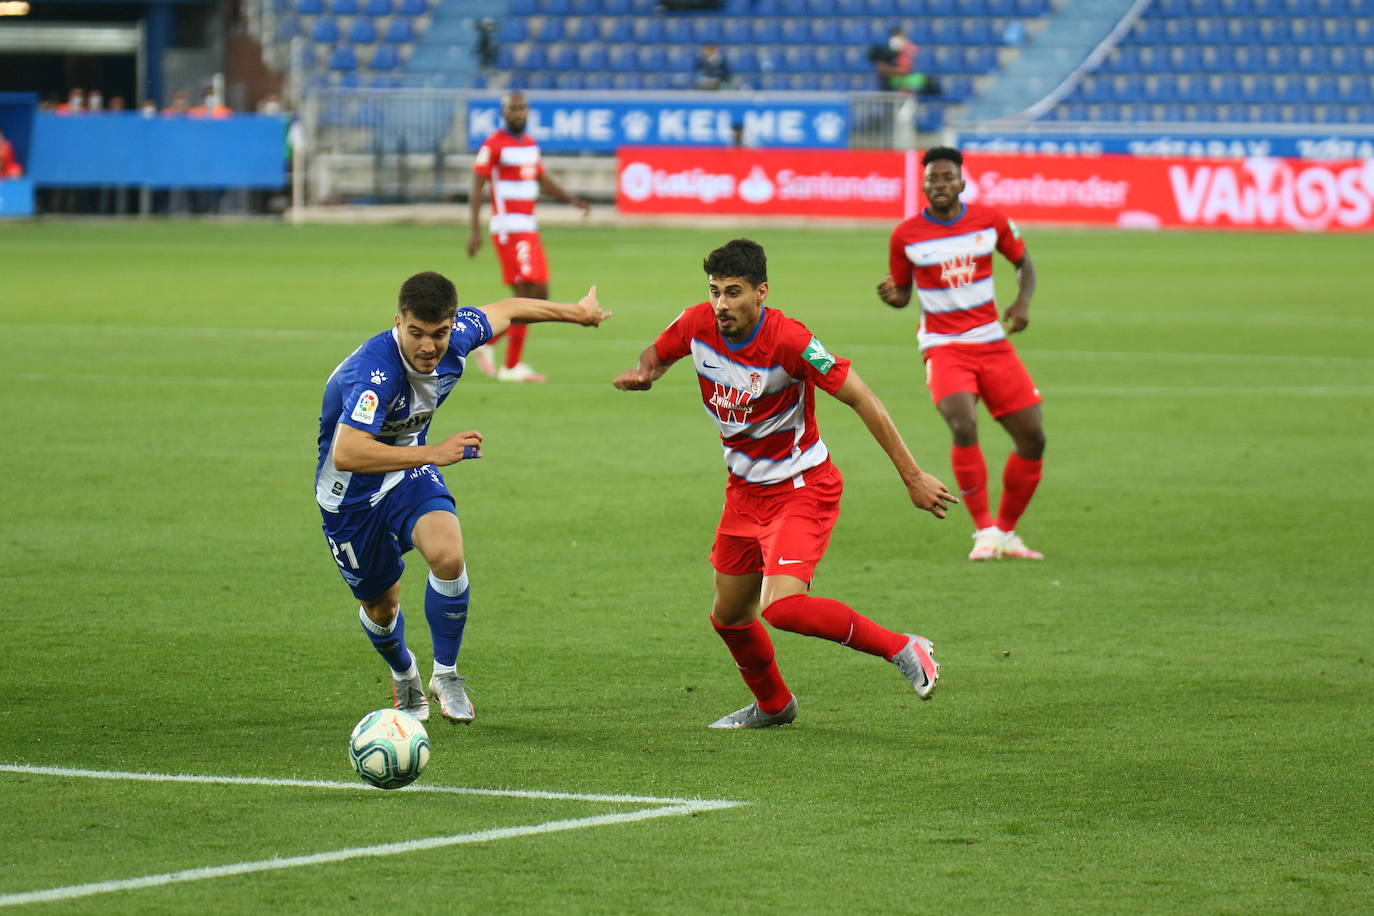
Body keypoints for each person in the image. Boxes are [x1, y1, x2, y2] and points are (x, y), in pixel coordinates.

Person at [613, 239, 955, 729]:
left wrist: (913, 475)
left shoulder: (790, 340)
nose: (721, 304)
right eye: (714, 291)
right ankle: (774, 705)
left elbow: (862, 398)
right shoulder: (697, 323)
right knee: (729, 616)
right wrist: (647, 373)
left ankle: (903, 647)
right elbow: (659, 350)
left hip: (801, 488)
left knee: (783, 607)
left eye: (733, 292)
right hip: (743, 494)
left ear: (761, 292)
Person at [316, 271, 609, 724]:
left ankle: (446, 674)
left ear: (452, 325)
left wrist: (578, 314)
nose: (428, 346)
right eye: (416, 333)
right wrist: (436, 451)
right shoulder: (375, 373)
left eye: (439, 334)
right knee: (381, 605)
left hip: (408, 469)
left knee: (448, 555)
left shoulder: (457, 338)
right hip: (349, 496)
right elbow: (348, 451)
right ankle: (405, 674)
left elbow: (508, 310)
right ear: (398, 322)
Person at [877, 146, 1046, 562]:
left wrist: (1022, 302)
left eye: (947, 177)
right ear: (924, 184)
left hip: (991, 341)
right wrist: (891, 295)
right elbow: (902, 294)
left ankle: (1006, 532)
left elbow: (1024, 263)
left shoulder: (990, 220)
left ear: (961, 181)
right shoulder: (905, 235)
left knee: (1033, 438)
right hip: (943, 345)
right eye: (933, 178)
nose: (940, 185)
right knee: (963, 424)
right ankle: (983, 530)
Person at [466, 91, 591, 383]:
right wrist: (474, 230)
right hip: (509, 228)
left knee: (535, 294)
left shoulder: (530, 145)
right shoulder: (493, 144)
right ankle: (506, 361)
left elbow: (541, 179)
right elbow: (477, 184)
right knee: (533, 291)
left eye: (522, 108)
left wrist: (571, 199)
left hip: (527, 227)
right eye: (513, 108)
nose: (518, 113)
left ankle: (496, 350)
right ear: (504, 112)